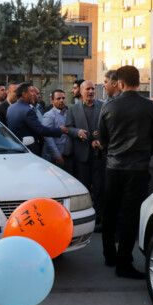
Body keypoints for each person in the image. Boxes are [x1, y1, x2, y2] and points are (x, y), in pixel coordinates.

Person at [98, 65, 153, 279]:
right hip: (138, 168)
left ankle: (110, 255)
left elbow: (103, 139)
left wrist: (113, 152)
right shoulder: (150, 107)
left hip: (114, 167)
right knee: (130, 216)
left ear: (120, 83)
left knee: (110, 212)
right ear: (139, 82)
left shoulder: (108, 107)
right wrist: (144, 153)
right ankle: (124, 263)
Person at [65, 80, 105, 230]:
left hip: (99, 154)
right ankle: (85, 217)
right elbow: (68, 128)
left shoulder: (103, 106)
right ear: (81, 92)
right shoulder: (73, 109)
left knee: (100, 188)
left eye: (92, 89)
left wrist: (100, 136)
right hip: (81, 156)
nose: (90, 92)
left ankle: (99, 218)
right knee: (84, 188)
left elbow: (108, 126)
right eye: (87, 89)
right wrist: (77, 132)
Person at [6, 82, 65, 157]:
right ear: (24, 94)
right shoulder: (28, 110)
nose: (33, 94)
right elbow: (40, 130)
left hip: (16, 149)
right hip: (29, 151)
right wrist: (60, 130)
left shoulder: (11, 108)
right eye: (31, 91)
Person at [41, 89, 71, 172]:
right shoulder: (48, 115)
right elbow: (48, 138)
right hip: (53, 158)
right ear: (52, 101)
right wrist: (57, 156)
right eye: (58, 98)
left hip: (67, 155)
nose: (62, 100)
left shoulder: (68, 113)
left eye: (63, 98)